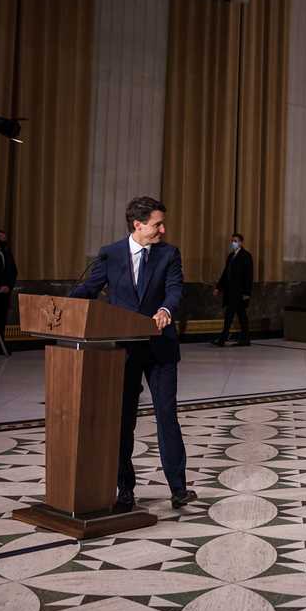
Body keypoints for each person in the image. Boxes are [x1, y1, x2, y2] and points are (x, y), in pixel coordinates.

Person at [71, 196, 196, 510]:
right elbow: (89, 288)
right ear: (138, 225)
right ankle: (124, 489)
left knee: (167, 416)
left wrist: (166, 308)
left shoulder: (169, 254)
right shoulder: (110, 254)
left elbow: (175, 288)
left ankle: (178, 488)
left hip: (160, 347)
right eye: (157, 224)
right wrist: (61, 306)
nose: (163, 230)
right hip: (123, 350)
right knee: (123, 420)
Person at [212, 233, 253, 346]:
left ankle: (223, 339)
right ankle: (246, 339)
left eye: (235, 241)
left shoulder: (246, 256)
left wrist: (247, 292)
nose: (233, 243)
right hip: (230, 291)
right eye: (232, 241)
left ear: (240, 242)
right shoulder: (231, 256)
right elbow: (226, 273)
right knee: (241, 316)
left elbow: (248, 276)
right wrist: (218, 287)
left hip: (239, 292)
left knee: (229, 315)